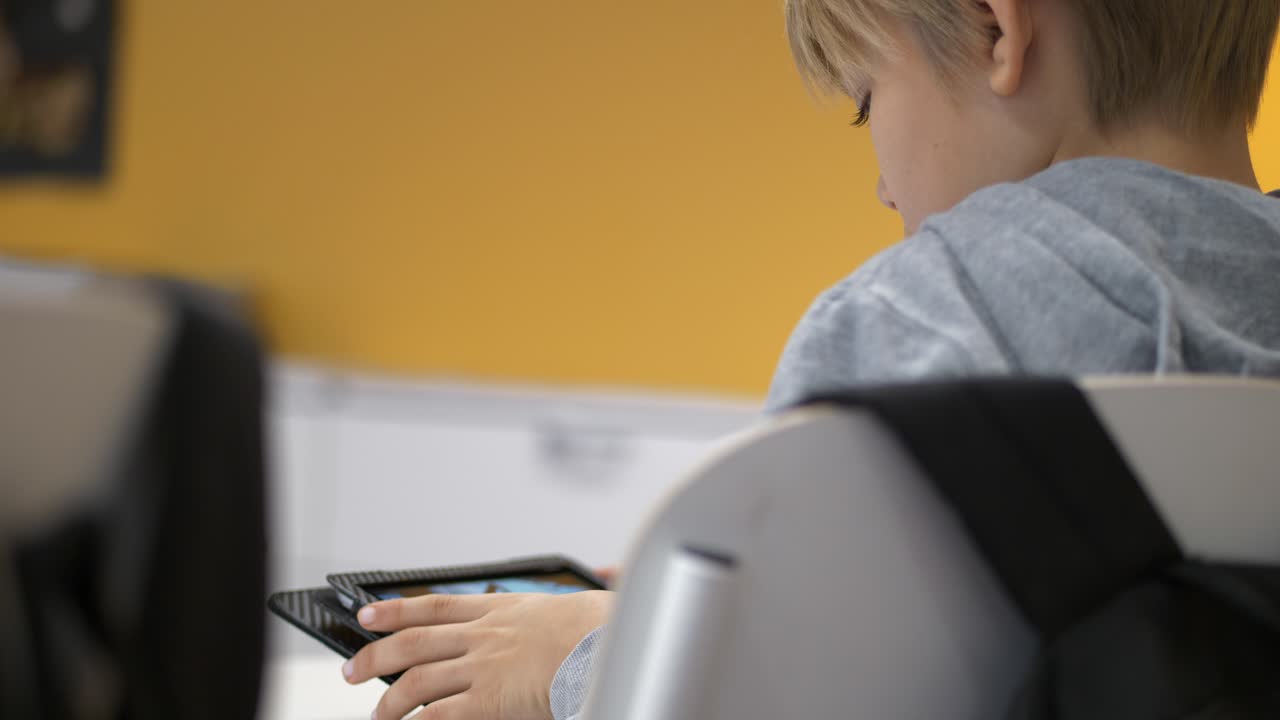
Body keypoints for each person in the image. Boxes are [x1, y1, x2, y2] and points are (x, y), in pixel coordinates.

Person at [339, 1, 1280, 718]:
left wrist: (592, 663)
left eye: (865, 100)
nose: (877, 184)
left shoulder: (918, 320)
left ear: (998, 28)